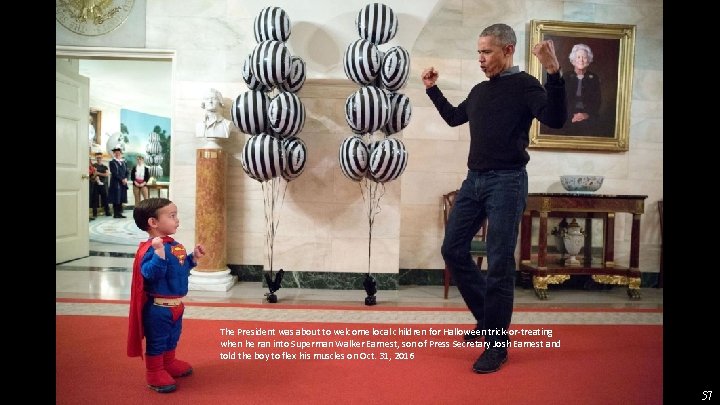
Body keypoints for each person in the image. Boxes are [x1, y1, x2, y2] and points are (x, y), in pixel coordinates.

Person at [421, 23, 567, 374]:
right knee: (452, 249)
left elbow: (556, 119)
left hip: (508, 181)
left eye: (486, 52)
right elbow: (456, 117)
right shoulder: (480, 91)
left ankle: (496, 346)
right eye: (478, 52)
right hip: (474, 181)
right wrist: (432, 89)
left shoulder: (526, 86)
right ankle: (489, 320)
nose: (481, 59)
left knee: (500, 262)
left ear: (508, 50)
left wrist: (553, 72)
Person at [127, 197, 206, 393]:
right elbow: (149, 274)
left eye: (176, 215)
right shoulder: (150, 249)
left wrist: (193, 258)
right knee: (158, 340)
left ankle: (169, 362)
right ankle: (154, 372)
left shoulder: (175, 245)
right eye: (172, 216)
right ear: (153, 223)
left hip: (177, 306)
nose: (177, 220)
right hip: (158, 309)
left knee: (172, 337)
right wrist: (159, 254)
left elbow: (180, 269)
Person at [561, 43, 603, 136]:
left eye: (584, 57)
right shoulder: (565, 77)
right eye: (578, 57)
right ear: (573, 60)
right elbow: (560, 101)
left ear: (588, 60)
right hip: (567, 117)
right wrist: (572, 115)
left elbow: (597, 101)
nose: (581, 60)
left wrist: (585, 115)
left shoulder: (594, 78)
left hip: (589, 117)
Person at [108, 145, 129, 218]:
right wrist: (122, 179)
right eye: (116, 153)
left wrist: (126, 178)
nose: (117, 154)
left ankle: (119, 213)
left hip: (123, 183)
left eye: (119, 152)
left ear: (121, 153)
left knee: (121, 197)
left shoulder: (124, 162)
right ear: (114, 154)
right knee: (116, 197)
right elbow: (114, 173)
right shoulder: (112, 162)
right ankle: (116, 213)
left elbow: (127, 172)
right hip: (115, 182)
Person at [91, 152, 111, 218]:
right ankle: (94, 214)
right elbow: (92, 176)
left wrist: (98, 173)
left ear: (102, 158)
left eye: (100, 157)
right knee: (95, 199)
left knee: (105, 199)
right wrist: (95, 174)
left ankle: (107, 212)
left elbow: (106, 174)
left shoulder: (105, 167)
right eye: (97, 158)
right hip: (95, 185)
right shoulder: (93, 166)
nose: (98, 159)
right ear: (96, 158)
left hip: (103, 185)